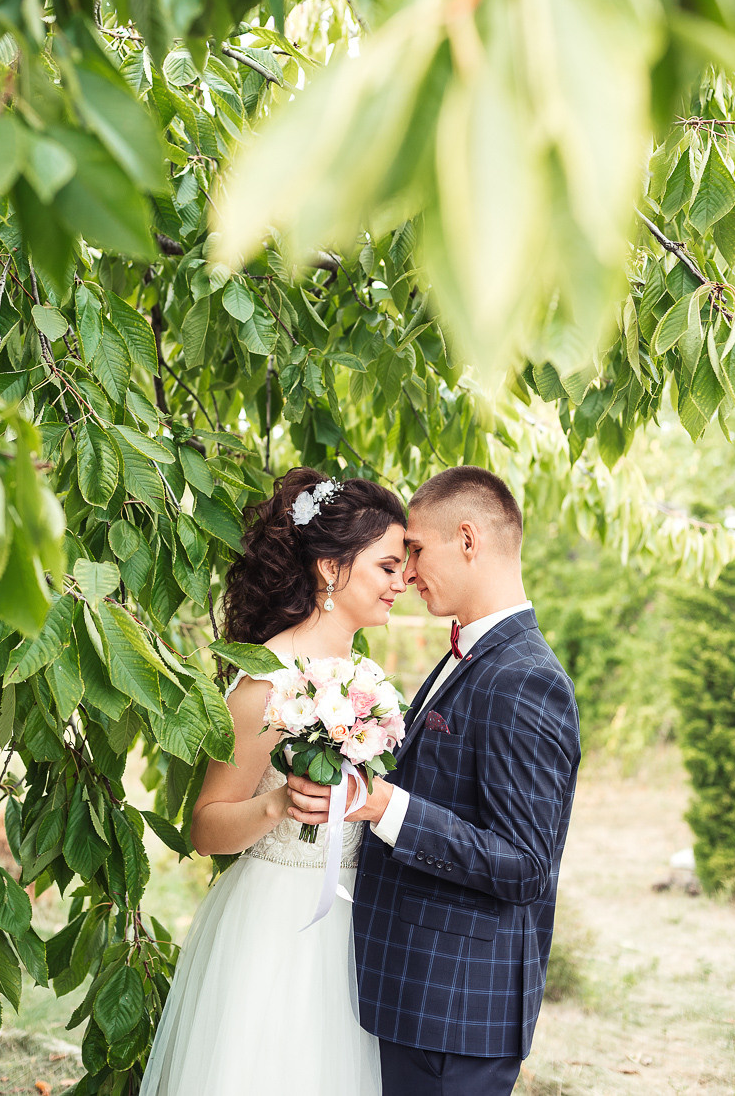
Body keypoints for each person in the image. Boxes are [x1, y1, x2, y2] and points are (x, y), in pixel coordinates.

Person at [288, 465, 581, 1096]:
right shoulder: (467, 656)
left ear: (468, 539)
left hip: (457, 1012)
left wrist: (386, 806)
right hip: (413, 997)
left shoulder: (527, 678)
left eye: (417, 550)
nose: (409, 572)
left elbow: (525, 865)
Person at [139, 467, 408, 1096]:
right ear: (331, 569)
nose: (402, 583)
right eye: (387, 567)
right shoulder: (268, 680)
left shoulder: (368, 679)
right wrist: (279, 805)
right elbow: (205, 827)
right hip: (275, 923)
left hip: (353, 920)